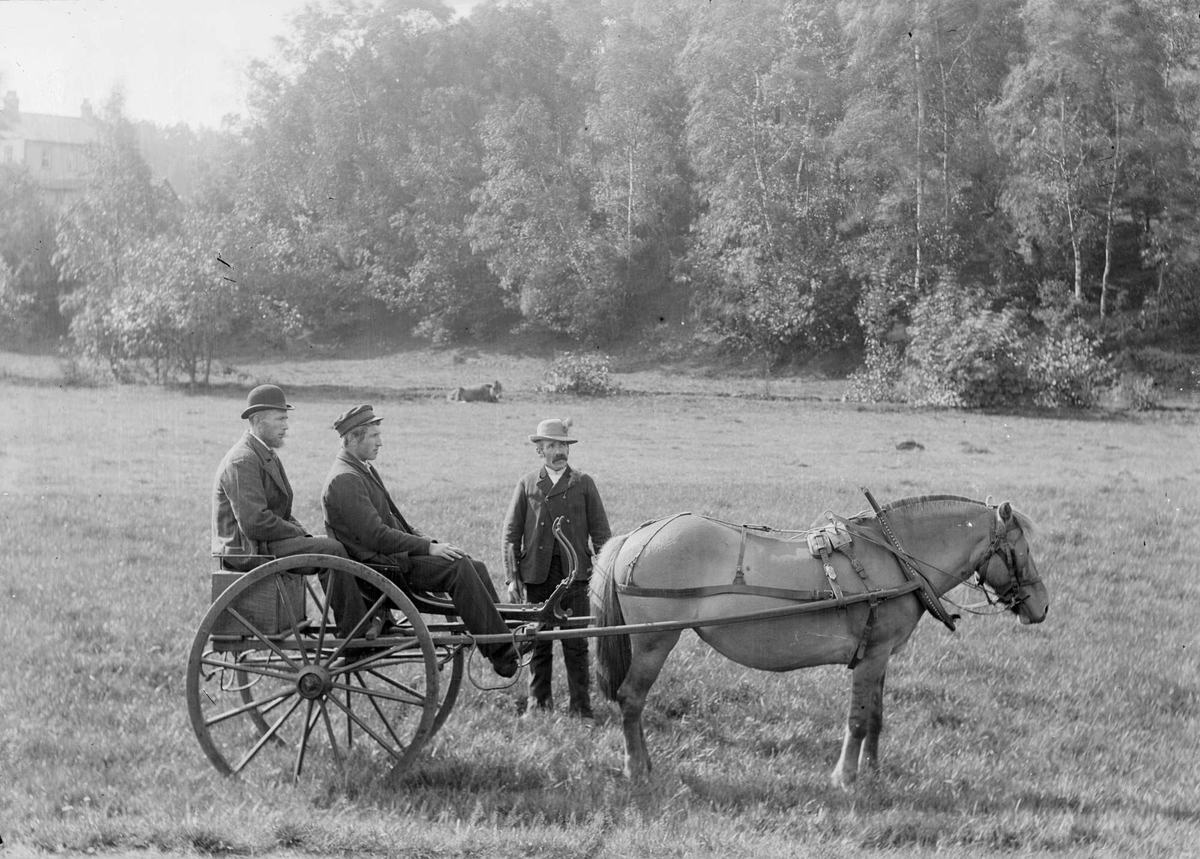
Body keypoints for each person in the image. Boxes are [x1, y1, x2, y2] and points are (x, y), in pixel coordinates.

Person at [320, 404, 519, 678]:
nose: (381, 442)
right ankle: (502, 652)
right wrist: (428, 548)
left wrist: (432, 542)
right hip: (380, 568)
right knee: (458, 569)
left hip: (390, 559)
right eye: (374, 436)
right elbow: (376, 536)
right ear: (353, 439)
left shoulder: (359, 469)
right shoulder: (344, 479)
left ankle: (504, 633)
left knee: (475, 565)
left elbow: (394, 521)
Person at [212, 384, 367, 637]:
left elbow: (280, 511)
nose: (286, 425)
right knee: (333, 550)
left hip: (261, 544)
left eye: (286, 418)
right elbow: (254, 522)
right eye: (280, 418)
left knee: (332, 545)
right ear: (258, 420)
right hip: (248, 549)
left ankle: (362, 621)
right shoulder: (243, 459)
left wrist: (301, 533)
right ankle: (356, 633)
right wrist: (296, 531)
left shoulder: (263, 453)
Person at [503, 417, 611, 717]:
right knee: (537, 642)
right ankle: (538, 706)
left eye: (562, 445)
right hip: (536, 575)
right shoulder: (527, 484)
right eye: (551, 445)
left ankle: (581, 708)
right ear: (540, 451)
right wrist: (512, 579)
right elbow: (511, 535)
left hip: (575, 575)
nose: (558, 451)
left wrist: (603, 574)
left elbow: (602, 533)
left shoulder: (583, 483)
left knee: (576, 644)